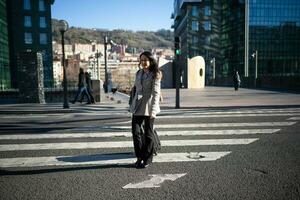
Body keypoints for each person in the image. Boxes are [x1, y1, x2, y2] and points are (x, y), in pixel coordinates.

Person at [129, 51, 161, 168]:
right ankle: (139, 157)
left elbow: (156, 93)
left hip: (149, 106)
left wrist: (153, 112)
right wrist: (132, 105)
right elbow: (136, 90)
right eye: (141, 60)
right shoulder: (138, 73)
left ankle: (147, 158)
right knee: (135, 132)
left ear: (150, 61)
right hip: (137, 106)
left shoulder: (155, 74)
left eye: (145, 60)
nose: (143, 62)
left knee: (148, 134)